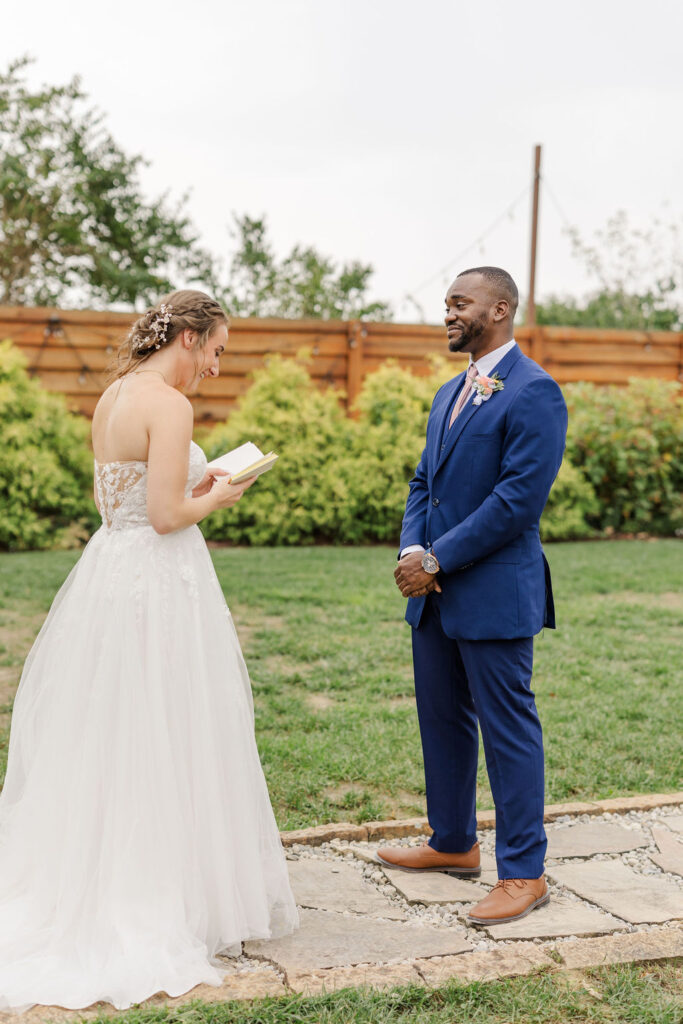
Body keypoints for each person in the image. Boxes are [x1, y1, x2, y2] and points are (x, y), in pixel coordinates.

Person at [0, 290, 298, 1011]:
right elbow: (166, 517)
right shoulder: (168, 404)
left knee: (112, 728)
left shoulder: (115, 395)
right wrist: (219, 494)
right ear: (189, 337)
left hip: (110, 573)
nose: (216, 368)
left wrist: (188, 488)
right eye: (217, 350)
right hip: (157, 583)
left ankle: (101, 870)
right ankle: (148, 893)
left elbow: (125, 500)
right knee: (165, 724)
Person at [377, 267, 567, 925]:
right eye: (447, 303)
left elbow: (515, 501)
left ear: (500, 307)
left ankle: (523, 872)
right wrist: (410, 552)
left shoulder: (535, 393)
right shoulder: (449, 392)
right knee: (441, 720)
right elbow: (421, 482)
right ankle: (452, 842)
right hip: (430, 592)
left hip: (490, 591)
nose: (448, 312)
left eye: (460, 303)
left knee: (507, 730)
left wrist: (437, 557)